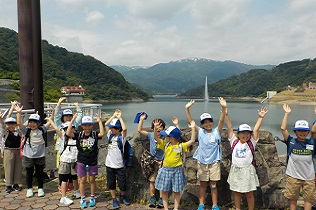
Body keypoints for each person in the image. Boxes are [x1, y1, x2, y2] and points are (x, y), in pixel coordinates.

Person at [185, 97, 227, 210]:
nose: (207, 124)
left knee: (213, 185)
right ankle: (201, 204)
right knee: (202, 185)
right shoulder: (201, 132)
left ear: (212, 122)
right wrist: (187, 109)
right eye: (205, 122)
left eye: (209, 121)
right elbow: (191, 122)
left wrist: (223, 107)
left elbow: (222, 120)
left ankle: (215, 205)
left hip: (214, 163)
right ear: (202, 124)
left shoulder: (216, 132)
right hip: (202, 162)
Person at [226, 106, 268, 210]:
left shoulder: (251, 143)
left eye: (247, 133)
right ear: (238, 134)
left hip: (248, 170)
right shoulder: (234, 142)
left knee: (249, 193)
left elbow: (256, 129)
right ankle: (237, 208)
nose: (245, 135)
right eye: (243, 133)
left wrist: (260, 117)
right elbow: (229, 127)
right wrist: (226, 114)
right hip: (236, 169)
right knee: (237, 192)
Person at [154, 119, 196, 210]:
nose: (165, 137)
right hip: (165, 170)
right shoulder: (165, 144)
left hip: (177, 170)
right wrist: (155, 129)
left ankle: (176, 208)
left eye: (167, 136)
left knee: (177, 191)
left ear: (172, 137)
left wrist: (193, 128)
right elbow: (156, 138)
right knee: (164, 191)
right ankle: (166, 208)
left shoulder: (181, 146)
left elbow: (192, 141)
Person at [281, 104, 316, 210]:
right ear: (295, 132)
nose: (302, 133)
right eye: (299, 130)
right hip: (293, 176)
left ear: (308, 132)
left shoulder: (312, 142)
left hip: (309, 177)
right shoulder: (291, 141)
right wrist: (287, 114)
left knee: (309, 199)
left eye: (305, 131)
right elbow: (283, 128)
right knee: (292, 198)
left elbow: (314, 130)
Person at [66, 113, 104, 209]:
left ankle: (92, 197)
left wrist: (99, 121)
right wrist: (72, 120)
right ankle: (82, 198)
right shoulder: (79, 134)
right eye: (85, 125)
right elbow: (67, 133)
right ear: (82, 126)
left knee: (92, 179)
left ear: (92, 125)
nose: (87, 127)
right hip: (81, 160)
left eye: (89, 125)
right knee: (82, 180)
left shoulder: (94, 134)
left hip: (92, 161)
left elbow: (102, 134)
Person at [17, 105, 53, 198]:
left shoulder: (42, 129)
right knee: (29, 173)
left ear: (39, 123)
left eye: (35, 122)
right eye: (31, 122)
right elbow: (19, 124)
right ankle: (29, 189)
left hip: (40, 155)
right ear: (28, 123)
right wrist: (19, 113)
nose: (32, 124)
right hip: (28, 155)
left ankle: (40, 188)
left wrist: (52, 112)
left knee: (39, 172)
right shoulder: (26, 131)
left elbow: (49, 123)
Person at [46, 118, 80, 205]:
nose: (69, 129)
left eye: (71, 127)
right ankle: (63, 197)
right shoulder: (64, 136)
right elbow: (57, 129)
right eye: (66, 128)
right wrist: (50, 120)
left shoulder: (77, 137)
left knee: (75, 177)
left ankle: (76, 192)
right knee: (64, 179)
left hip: (74, 161)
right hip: (65, 161)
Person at [137, 113, 166, 208]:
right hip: (152, 162)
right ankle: (152, 198)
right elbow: (140, 130)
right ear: (152, 127)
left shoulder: (165, 137)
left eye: (160, 126)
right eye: (156, 126)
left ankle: (161, 199)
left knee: (161, 181)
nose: (158, 128)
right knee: (152, 181)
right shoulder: (150, 135)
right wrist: (141, 120)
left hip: (162, 161)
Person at [54, 97, 82, 191]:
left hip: (73, 151)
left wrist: (77, 107)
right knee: (62, 169)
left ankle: (70, 185)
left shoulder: (74, 125)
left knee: (72, 170)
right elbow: (56, 116)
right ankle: (61, 185)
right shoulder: (60, 125)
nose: (68, 118)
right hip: (62, 150)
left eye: (70, 116)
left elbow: (79, 116)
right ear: (63, 117)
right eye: (66, 116)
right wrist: (59, 103)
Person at [104, 109, 131, 209]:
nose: (110, 129)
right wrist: (113, 116)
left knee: (122, 183)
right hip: (109, 164)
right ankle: (114, 199)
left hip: (119, 165)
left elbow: (124, 129)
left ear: (117, 129)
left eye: (113, 128)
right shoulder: (110, 136)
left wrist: (120, 118)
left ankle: (122, 196)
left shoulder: (122, 138)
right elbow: (106, 124)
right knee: (111, 183)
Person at [0, 103, 22, 193]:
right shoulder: (5, 132)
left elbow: (21, 125)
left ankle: (16, 184)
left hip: (17, 151)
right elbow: (2, 124)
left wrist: (18, 113)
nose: (11, 126)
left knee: (17, 167)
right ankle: (8, 185)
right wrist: (1, 118)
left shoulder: (18, 131)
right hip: (8, 150)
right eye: (9, 124)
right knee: (8, 168)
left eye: (13, 124)